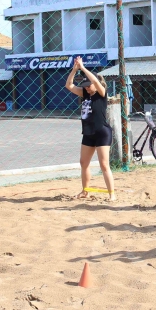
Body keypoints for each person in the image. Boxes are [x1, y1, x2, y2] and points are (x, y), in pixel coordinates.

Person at [65, 56, 116, 201]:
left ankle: (112, 193)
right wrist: (75, 70)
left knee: (104, 164)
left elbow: (94, 80)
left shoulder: (101, 94)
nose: (87, 87)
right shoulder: (85, 93)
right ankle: (85, 191)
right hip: (88, 132)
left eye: (89, 84)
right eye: (85, 85)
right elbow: (69, 85)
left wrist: (83, 67)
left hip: (102, 132)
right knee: (83, 163)